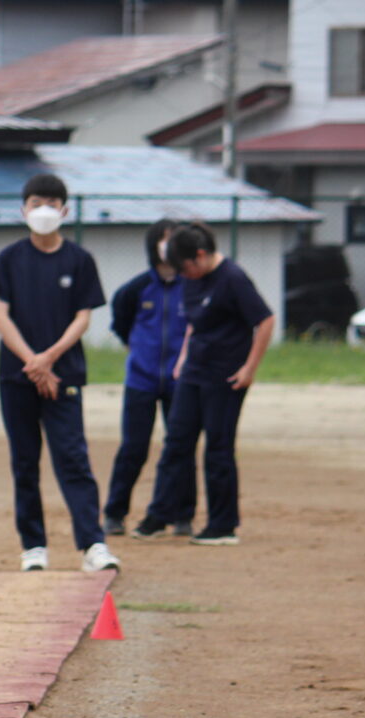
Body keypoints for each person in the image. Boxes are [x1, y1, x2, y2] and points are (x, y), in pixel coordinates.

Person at [0, 174, 118, 573]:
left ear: (64, 210)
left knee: (73, 458)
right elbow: (0, 316)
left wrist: (50, 358)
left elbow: (83, 318)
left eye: (51, 203)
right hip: (17, 376)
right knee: (25, 462)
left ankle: (93, 545)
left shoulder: (79, 260)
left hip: (65, 376)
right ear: (23, 209)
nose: (43, 211)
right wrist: (32, 361)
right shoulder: (8, 259)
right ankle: (34, 547)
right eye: (35, 203)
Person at [132, 222, 275, 545]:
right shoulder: (191, 281)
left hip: (226, 377)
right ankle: (161, 514)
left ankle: (223, 525)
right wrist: (183, 358)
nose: (183, 276)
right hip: (194, 372)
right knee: (176, 443)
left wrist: (249, 368)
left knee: (218, 448)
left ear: (200, 256)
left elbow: (265, 320)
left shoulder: (233, 279)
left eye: (185, 268)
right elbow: (196, 324)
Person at [104, 218, 194, 538]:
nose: (168, 246)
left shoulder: (191, 285)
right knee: (134, 448)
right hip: (140, 381)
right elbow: (120, 320)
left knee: (180, 447)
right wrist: (138, 350)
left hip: (180, 381)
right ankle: (115, 512)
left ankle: (183, 515)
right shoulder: (138, 287)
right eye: (164, 240)